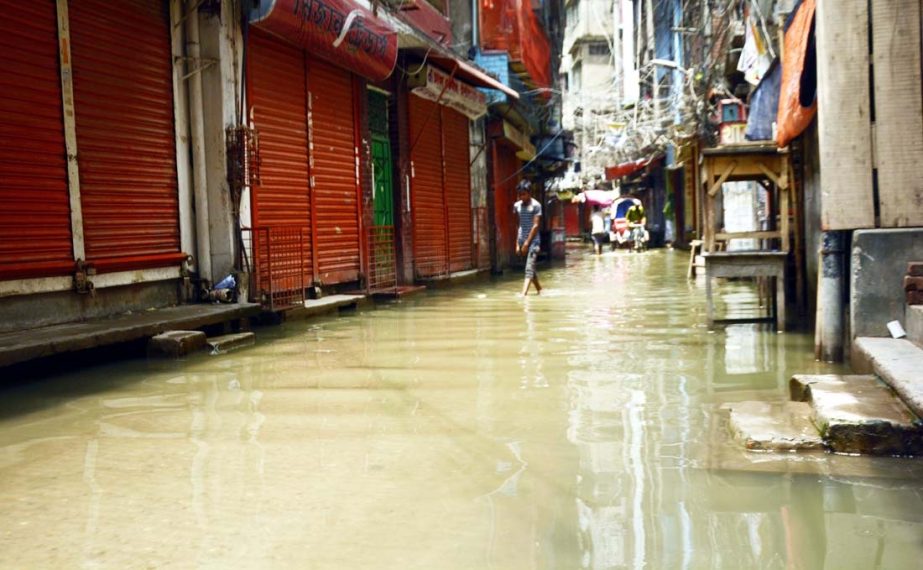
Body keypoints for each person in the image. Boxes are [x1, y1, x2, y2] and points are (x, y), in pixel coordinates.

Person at [514, 180, 542, 296]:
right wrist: (517, 243)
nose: (521, 197)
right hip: (522, 240)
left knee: (528, 268)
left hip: (533, 242)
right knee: (531, 268)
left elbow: (535, 226)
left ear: (529, 193)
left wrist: (527, 243)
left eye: (523, 194)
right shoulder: (517, 206)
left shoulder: (536, 205)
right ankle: (540, 290)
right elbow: (518, 225)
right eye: (519, 194)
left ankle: (523, 294)